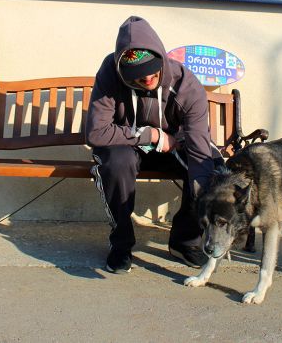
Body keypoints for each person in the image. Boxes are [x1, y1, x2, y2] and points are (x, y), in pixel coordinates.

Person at [85, 16, 223, 273]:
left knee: (209, 166)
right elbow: (96, 132)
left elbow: (198, 144)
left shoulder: (186, 85)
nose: (146, 78)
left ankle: (184, 241)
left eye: (152, 69)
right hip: (127, 144)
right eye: (136, 75)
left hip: (174, 145)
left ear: (161, 57)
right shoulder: (109, 72)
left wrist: (204, 198)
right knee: (116, 163)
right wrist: (153, 136)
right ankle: (121, 244)